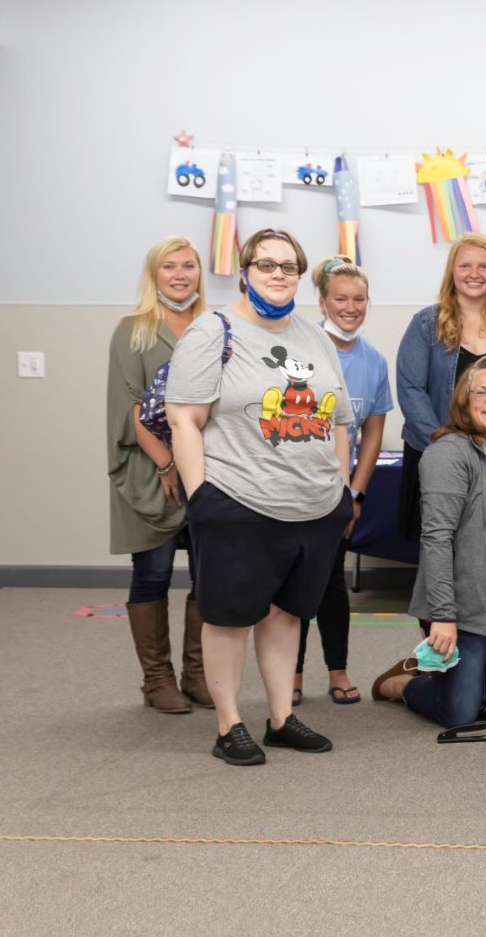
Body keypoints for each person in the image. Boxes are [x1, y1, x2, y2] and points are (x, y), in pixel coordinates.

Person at [166, 228, 354, 766]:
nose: (278, 274)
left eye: (289, 266)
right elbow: (183, 417)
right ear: (245, 272)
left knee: (287, 615)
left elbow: (340, 419)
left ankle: (280, 718)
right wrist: (202, 497)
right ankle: (229, 724)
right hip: (239, 502)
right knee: (229, 618)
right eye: (266, 265)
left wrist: (341, 490)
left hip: (313, 506)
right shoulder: (214, 331)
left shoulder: (315, 337)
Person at [372, 358, 486, 727]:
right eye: (481, 392)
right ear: (464, 400)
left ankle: (451, 679)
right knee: (459, 713)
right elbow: (436, 538)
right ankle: (404, 683)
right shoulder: (447, 453)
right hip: (462, 606)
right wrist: (443, 615)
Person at [106, 235, 211, 714]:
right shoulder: (133, 330)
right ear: (154, 275)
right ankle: (156, 680)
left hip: (208, 468)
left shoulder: (213, 327)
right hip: (153, 470)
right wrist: (167, 463)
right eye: (169, 266)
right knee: (154, 572)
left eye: (188, 265)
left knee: (208, 575)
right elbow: (132, 405)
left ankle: (198, 674)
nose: (180, 275)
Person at [292, 256, 392, 708]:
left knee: (331, 582)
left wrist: (355, 494)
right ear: (322, 301)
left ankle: (338, 671)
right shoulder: (301, 350)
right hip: (295, 489)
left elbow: (371, 434)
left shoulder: (373, 361)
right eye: (341, 299)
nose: (350, 308)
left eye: (359, 299)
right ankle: (291, 674)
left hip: (339, 493)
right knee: (293, 585)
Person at [396, 233, 486, 541]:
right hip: (434, 453)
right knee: (438, 547)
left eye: (484, 266)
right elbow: (411, 390)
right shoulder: (425, 324)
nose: (474, 274)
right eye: (465, 266)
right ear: (452, 271)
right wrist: (446, 448)